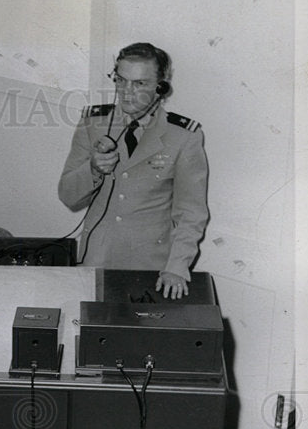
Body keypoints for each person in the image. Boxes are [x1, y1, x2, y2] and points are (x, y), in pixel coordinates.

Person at [58, 42, 208, 299]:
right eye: (121, 80)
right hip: (95, 262)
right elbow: (68, 196)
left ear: (161, 85)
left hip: (151, 268)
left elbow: (191, 214)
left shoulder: (183, 137)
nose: (127, 93)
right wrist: (92, 169)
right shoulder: (93, 123)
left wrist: (177, 267)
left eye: (139, 84)